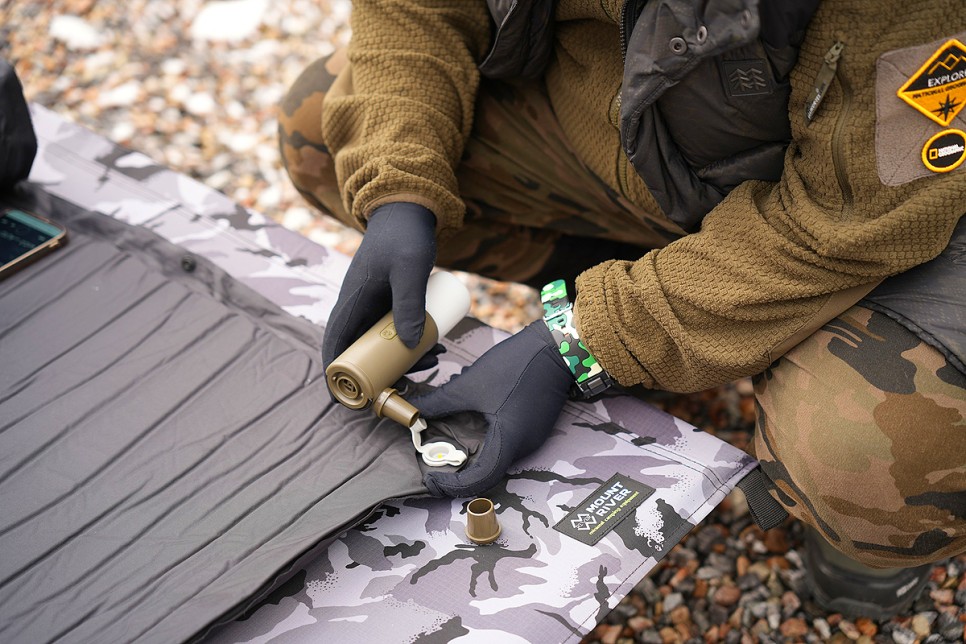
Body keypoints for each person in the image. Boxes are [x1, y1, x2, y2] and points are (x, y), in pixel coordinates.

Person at [279, 0, 965, 618]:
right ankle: (649, 288)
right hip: (667, 149)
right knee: (324, 131)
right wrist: (399, 187)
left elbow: (847, 224)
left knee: (875, 453)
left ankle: (871, 544)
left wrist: (581, 338)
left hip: (902, 193)